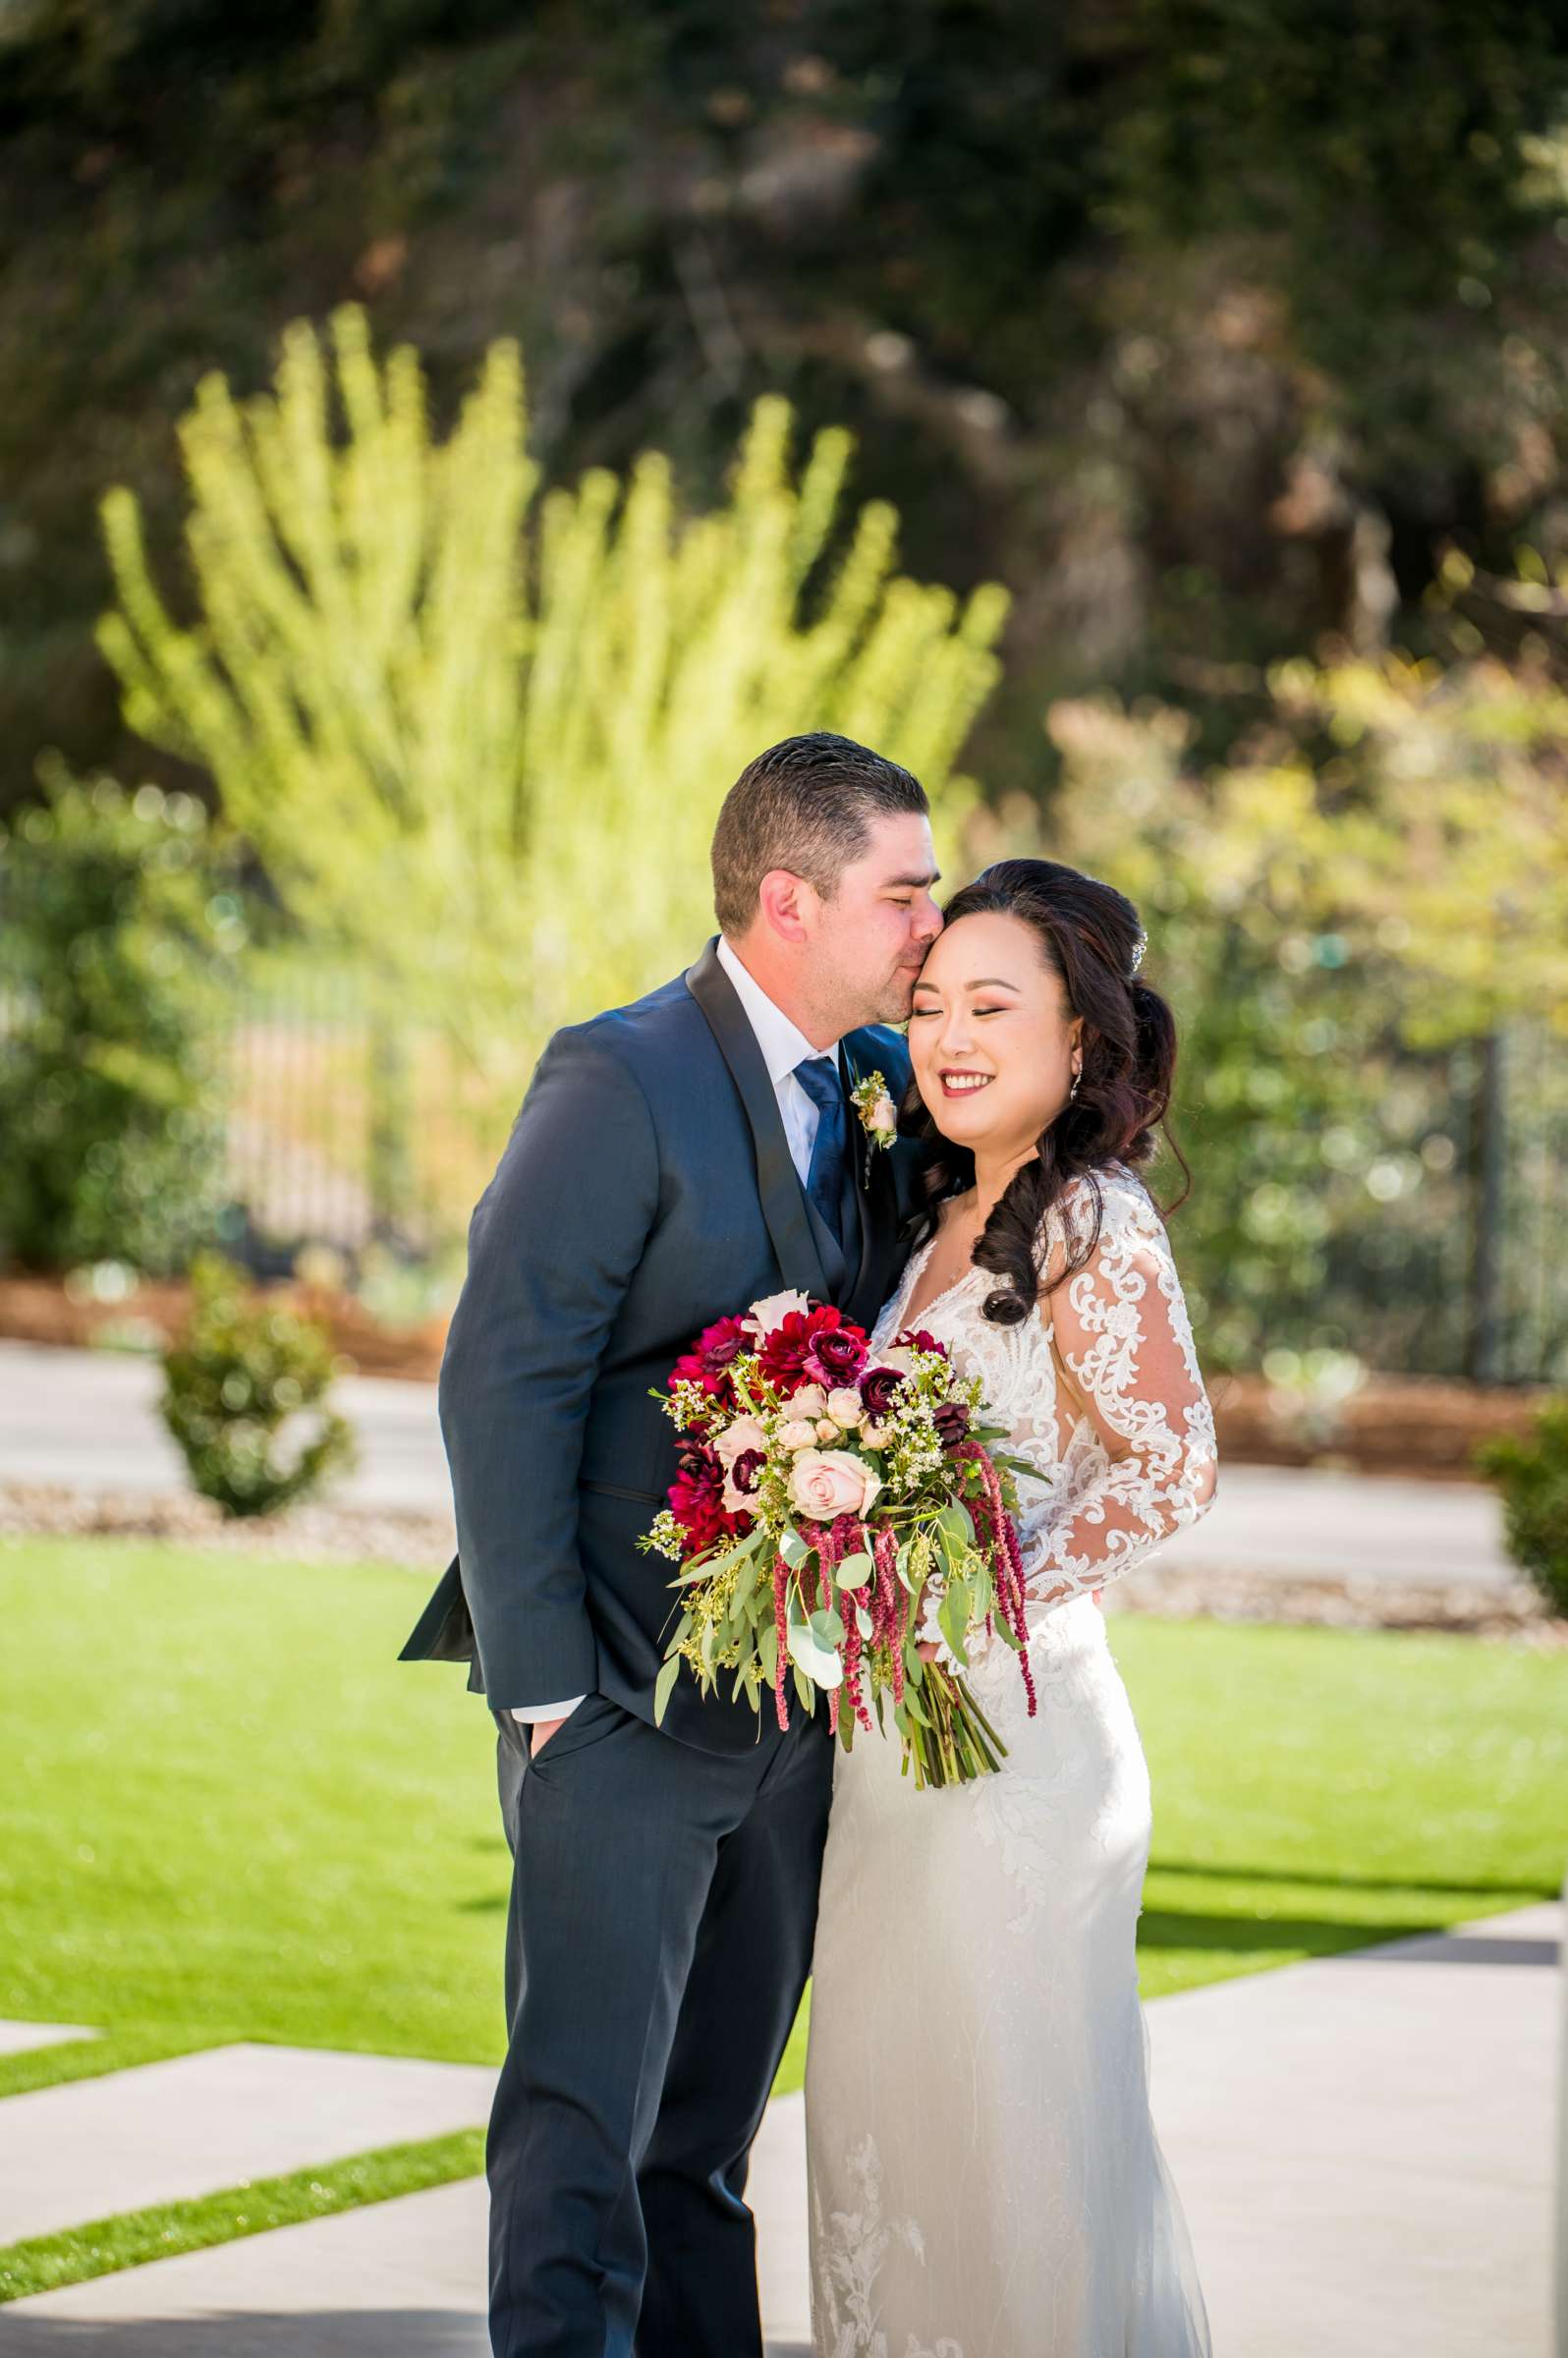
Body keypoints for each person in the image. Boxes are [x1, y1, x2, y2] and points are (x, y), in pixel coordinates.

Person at [400, 732, 942, 2358]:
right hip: (619, 1714)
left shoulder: (879, 1086)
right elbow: (503, 1380)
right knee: (582, 2134)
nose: (931, 924)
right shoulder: (616, 1075)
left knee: (703, 2149)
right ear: (791, 899)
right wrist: (550, 1696)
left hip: (792, 1718)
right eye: (905, 895)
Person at [806, 858, 1217, 2358]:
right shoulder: (925, 1218)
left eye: (993, 1005)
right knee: (886, 2133)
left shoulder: (1093, 1222)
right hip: (886, 1769)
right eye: (929, 1006)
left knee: (1015, 2150)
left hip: (1020, 1764)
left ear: (1082, 1042)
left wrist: (973, 1591)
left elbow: (1174, 1463)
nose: (950, 1037)